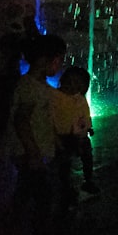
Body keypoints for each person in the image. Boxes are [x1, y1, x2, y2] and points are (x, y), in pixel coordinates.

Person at [9, 34, 66, 235]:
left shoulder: (40, 87)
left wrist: (55, 139)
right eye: (58, 60)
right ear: (44, 60)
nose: (60, 66)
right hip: (28, 152)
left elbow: (42, 117)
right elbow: (21, 120)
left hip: (34, 150)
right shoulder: (30, 87)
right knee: (44, 194)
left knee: (25, 188)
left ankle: (13, 224)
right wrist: (33, 153)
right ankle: (39, 233)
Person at [51, 66, 99, 205]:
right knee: (64, 163)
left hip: (81, 135)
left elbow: (85, 113)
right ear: (63, 80)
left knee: (87, 157)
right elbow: (52, 116)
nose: (73, 87)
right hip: (64, 136)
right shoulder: (55, 96)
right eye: (70, 82)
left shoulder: (80, 98)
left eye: (78, 84)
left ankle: (88, 180)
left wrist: (88, 127)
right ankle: (66, 187)